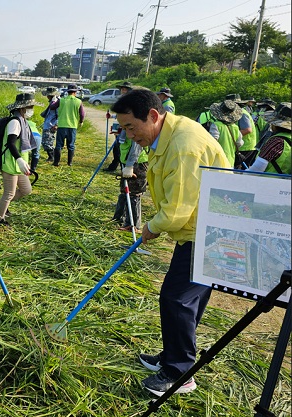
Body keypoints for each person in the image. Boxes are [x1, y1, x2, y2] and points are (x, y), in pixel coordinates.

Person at [111, 88, 229, 396]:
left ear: (152, 115)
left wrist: (150, 226)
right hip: (198, 227)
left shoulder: (183, 146)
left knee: (176, 299)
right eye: (123, 128)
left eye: (130, 127)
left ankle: (180, 372)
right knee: (186, 301)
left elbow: (178, 210)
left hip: (208, 232)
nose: (128, 134)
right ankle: (173, 356)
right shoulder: (167, 134)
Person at [0, 92, 41, 225]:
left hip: (19, 165)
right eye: (30, 107)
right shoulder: (15, 122)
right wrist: (19, 160)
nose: (32, 110)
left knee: (26, 190)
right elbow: (11, 143)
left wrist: (23, 162)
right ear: (22, 108)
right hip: (10, 164)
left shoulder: (23, 121)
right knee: (9, 193)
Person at [246, 102, 291, 175]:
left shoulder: (276, 141)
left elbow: (257, 169)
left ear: (275, 124)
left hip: (269, 182)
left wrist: (242, 174)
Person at [49, 84, 85, 166]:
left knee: (59, 145)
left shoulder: (61, 100)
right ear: (75, 93)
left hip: (61, 125)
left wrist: (53, 100)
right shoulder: (78, 101)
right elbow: (82, 114)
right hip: (72, 126)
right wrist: (81, 121)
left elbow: (52, 107)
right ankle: (69, 162)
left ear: (67, 92)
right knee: (71, 145)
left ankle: (56, 162)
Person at [104, 82, 134, 172]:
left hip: (124, 127)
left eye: (125, 89)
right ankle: (115, 166)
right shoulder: (121, 100)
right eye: (122, 89)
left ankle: (121, 167)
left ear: (128, 90)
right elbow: (119, 115)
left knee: (120, 147)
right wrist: (112, 116)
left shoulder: (129, 101)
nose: (123, 90)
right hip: (118, 125)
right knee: (117, 147)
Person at [208, 100, 242, 168]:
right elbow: (240, 143)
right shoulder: (235, 127)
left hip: (218, 161)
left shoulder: (216, 125)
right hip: (231, 160)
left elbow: (213, 142)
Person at [225, 93, 257, 166]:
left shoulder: (242, 114)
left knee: (241, 170)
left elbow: (247, 129)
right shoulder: (237, 112)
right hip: (243, 146)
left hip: (246, 147)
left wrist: (231, 136)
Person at [40, 86, 59, 163]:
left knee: (48, 142)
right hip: (48, 124)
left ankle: (52, 157)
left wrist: (56, 125)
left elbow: (59, 115)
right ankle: (51, 156)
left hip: (51, 125)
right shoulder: (52, 103)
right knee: (45, 141)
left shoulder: (56, 103)